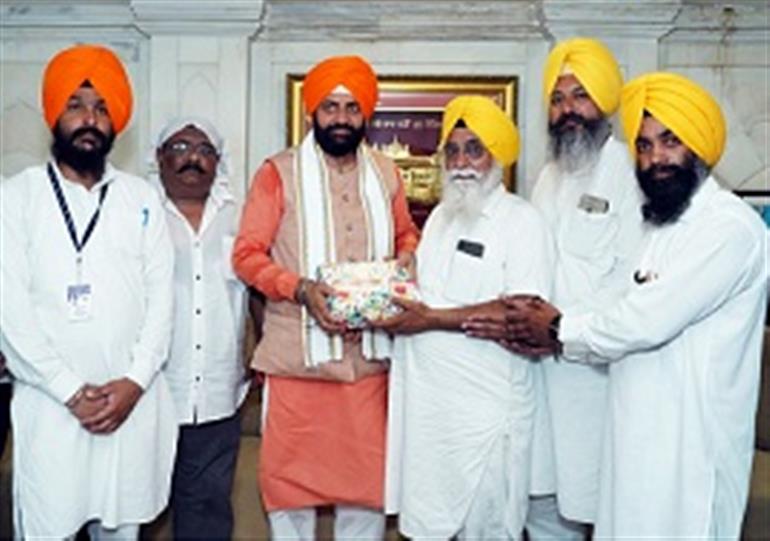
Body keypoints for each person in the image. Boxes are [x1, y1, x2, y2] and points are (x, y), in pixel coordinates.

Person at [469, 72, 768, 539]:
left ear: (700, 145)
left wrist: (558, 329)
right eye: (644, 146)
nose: (655, 158)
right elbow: (623, 311)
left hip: (692, 450)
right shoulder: (660, 225)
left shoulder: (729, 228)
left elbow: (644, 321)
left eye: (670, 141)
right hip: (632, 435)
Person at [232, 55, 420, 539]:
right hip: (298, 363)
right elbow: (246, 255)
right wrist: (299, 288)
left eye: (352, 108)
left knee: (366, 499)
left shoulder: (386, 173)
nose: (341, 118)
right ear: (312, 111)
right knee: (290, 500)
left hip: (369, 366)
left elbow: (407, 233)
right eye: (330, 107)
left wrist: (406, 258)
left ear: (366, 114)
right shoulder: (278, 173)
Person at [0, 44, 177, 539]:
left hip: (129, 406)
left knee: (122, 526)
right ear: (53, 115)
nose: (90, 120)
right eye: (76, 105)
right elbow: (9, 310)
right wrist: (69, 391)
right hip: (52, 407)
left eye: (101, 108)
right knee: (50, 525)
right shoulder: (16, 197)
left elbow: (162, 302)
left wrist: (134, 382)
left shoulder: (141, 198)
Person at [378, 96, 554, 540]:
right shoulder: (442, 216)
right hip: (430, 419)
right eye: (453, 150)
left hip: (485, 420)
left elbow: (523, 313)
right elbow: (429, 294)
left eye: (474, 149)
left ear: (497, 156)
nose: (460, 163)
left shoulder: (522, 221)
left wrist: (430, 319)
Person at [521, 36, 646, 540]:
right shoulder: (547, 177)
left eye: (580, 96)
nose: (568, 109)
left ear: (606, 101)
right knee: (542, 505)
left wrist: (562, 328)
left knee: (600, 502)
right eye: (557, 98)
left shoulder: (632, 173)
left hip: (598, 373)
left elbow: (632, 278)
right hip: (539, 371)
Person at [154, 117, 250, 540]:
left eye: (204, 149)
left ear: (217, 161)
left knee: (208, 512)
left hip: (218, 392)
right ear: (159, 157)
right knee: (136, 509)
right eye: (180, 147)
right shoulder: (136, 212)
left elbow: (259, 289)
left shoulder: (240, 216)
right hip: (149, 392)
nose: (192, 158)